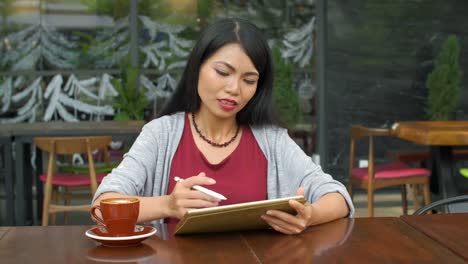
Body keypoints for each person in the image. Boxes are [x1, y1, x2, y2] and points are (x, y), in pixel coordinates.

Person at [93, 18, 354, 235]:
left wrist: (310, 216)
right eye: (222, 72)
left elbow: (338, 197)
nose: (234, 89)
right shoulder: (161, 134)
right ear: (197, 67)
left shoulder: (272, 141)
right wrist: (167, 205)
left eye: (248, 80)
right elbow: (103, 204)